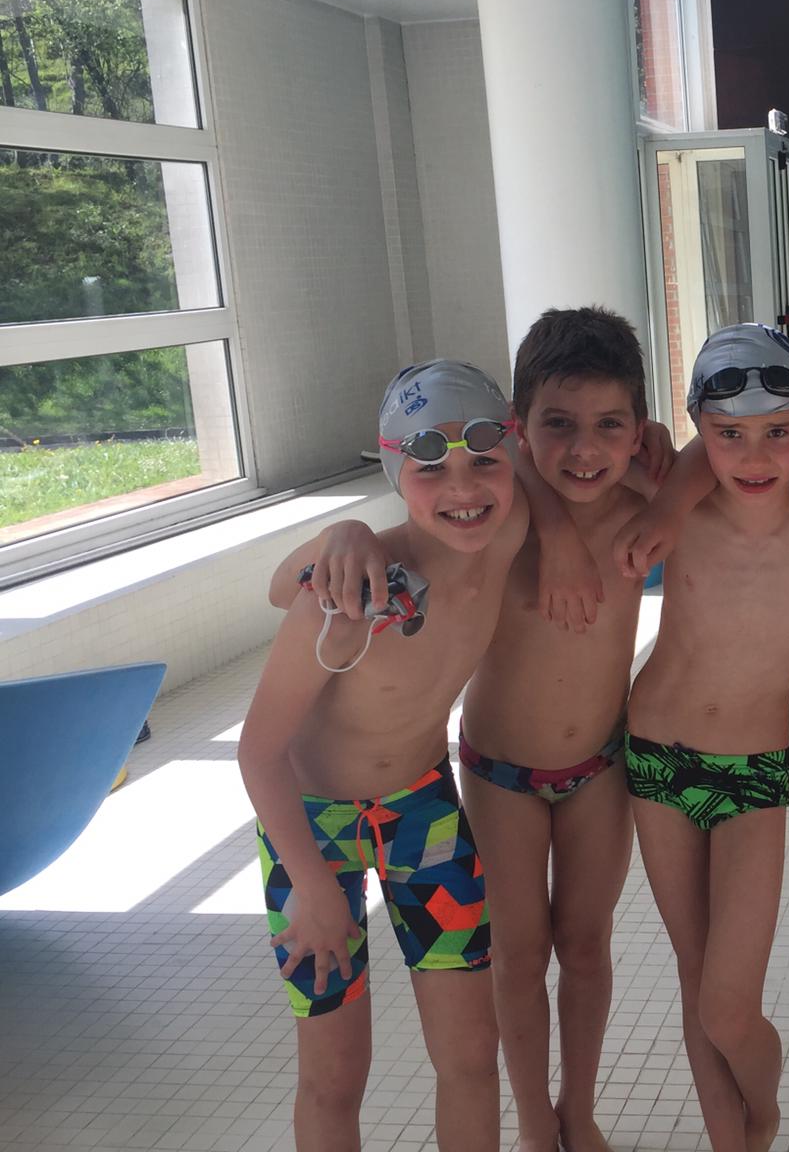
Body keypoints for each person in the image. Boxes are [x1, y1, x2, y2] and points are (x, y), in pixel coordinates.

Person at [277, 308, 662, 1152]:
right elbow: (292, 588)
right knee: (518, 957)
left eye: (610, 426)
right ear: (521, 429)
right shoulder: (491, 519)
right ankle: (533, 1127)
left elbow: (725, 470)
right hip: (498, 776)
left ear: (639, 429)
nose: (584, 450)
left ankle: (579, 1113)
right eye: (557, 426)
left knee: (586, 948)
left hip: (600, 768)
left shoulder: (644, 501)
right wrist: (345, 529)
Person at [239, 359, 527, 1152]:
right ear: (397, 474)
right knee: (334, 1076)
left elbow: (582, 460)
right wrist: (310, 886)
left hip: (423, 815)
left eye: (485, 461)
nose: (464, 489)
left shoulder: (510, 529)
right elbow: (258, 753)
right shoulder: (351, 593)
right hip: (312, 832)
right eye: (429, 470)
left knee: (472, 1057)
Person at [614, 323, 789, 1152]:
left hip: (753, 774)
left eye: (780, 432)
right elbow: (550, 463)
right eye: (728, 434)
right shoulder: (678, 493)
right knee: (694, 975)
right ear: (699, 429)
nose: (755, 456)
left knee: (728, 1004)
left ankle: (763, 1113)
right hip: (656, 752)